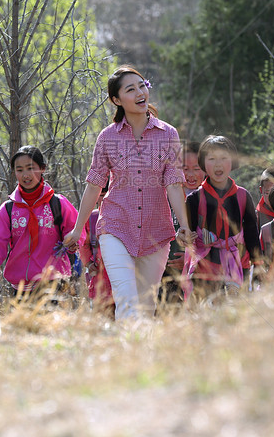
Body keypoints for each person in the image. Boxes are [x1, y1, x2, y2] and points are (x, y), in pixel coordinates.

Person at [62, 66, 193, 320]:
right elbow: (94, 183)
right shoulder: (107, 137)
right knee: (126, 297)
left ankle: (139, 358)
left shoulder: (169, 134)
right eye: (130, 89)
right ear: (116, 100)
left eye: (142, 86)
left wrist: (185, 225)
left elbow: (174, 184)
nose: (140, 93)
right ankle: (127, 351)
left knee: (146, 305)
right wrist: (78, 229)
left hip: (157, 231)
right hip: (115, 226)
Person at [0, 145, 83, 294]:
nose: (25, 175)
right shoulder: (8, 209)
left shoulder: (57, 204)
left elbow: (77, 230)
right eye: (19, 170)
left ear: (42, 168)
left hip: (55, 283)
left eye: (30, 168)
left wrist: (73, 243)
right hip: (21, 287)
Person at [182, 135, 260, 299]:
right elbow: (187, 233)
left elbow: (252, 232)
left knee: (236, 313)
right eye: (211, 158)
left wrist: (258, 264)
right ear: (203, 163)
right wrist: (183, 238)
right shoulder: (194, 199)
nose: (218, 164)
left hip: (238, 264)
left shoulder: (243, 196)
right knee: (205, 311)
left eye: (224, 158)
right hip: (204, 268)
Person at [160, 140, 205, 305]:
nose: (191, 175)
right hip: (167, 273)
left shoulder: (212, 198)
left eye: (197, 169)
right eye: (185, 169)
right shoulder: (166, 196)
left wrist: (189, 261)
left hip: (201, 274)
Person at [79, 183, 114, 317]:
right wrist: (88, 263)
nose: (103, 199)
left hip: (122, 278)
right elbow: (84, 243)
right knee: (103, 317)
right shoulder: (91, 218)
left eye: (106, 195)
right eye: (100, 196)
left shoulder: (125, 217)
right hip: (100, 278)